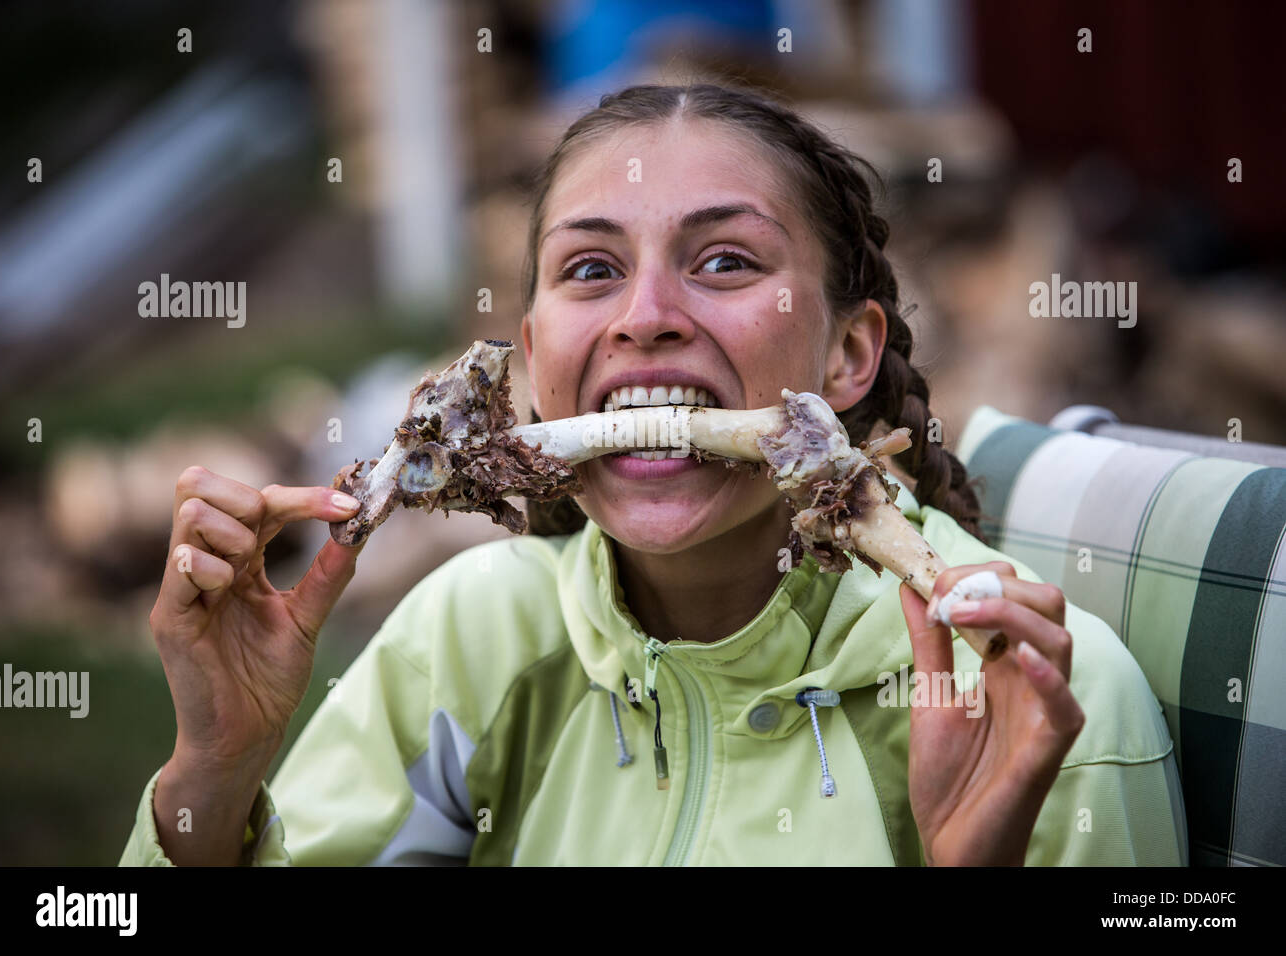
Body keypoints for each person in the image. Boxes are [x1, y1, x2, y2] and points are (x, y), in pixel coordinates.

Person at [120, 83, 1187, 866]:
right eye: (592, 269)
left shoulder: (1041, 703)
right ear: (534, 361)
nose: (645, 317)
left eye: (724, 259)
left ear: (849, 355)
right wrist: (212, 775)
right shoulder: (464, 641)